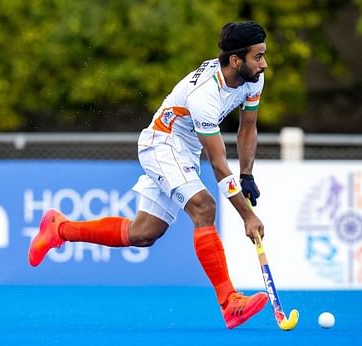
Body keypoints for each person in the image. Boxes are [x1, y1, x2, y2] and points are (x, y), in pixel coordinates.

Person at [28, 21, 269, 329]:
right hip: (162, 143)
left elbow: (248, 127)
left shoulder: (252, 79)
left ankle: (59, 229)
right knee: (204, 207)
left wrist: (247, 175)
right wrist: (246, 215)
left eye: (262, 55)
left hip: (184, 151)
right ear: (236, 60)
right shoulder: (204, 96)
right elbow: (219, 165)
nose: (263, 63)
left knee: (143, 234)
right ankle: (228, 302)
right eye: (258, 57)